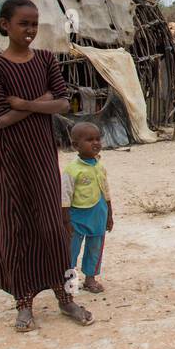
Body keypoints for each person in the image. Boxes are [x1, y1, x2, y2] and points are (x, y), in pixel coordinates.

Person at [0, 0, 93, 332]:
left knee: (52, 224)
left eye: (34, 24)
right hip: (11, 157)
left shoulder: (46, 60)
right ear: (5, 25)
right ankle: (24, 302)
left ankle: (65, 296)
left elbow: (62, 103)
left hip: (43, 153)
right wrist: (39, 103)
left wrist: (23, 103)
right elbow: (1, 118)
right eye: (23, 23)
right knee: (16, 226)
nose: (30, 30)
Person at [60, 121, 113, 295]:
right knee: (71, 251)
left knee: (95, 248)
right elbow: (64, 197)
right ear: (76, 145)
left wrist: (109, 215)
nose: (96, 143)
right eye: (89, 140)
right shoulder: (72, 169)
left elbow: (106, 191)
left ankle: (90, 278)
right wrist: (66, 221)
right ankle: (69, 283)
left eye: (98, 139)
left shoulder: (99, 165)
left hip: (98, 214)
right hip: (77, 218)